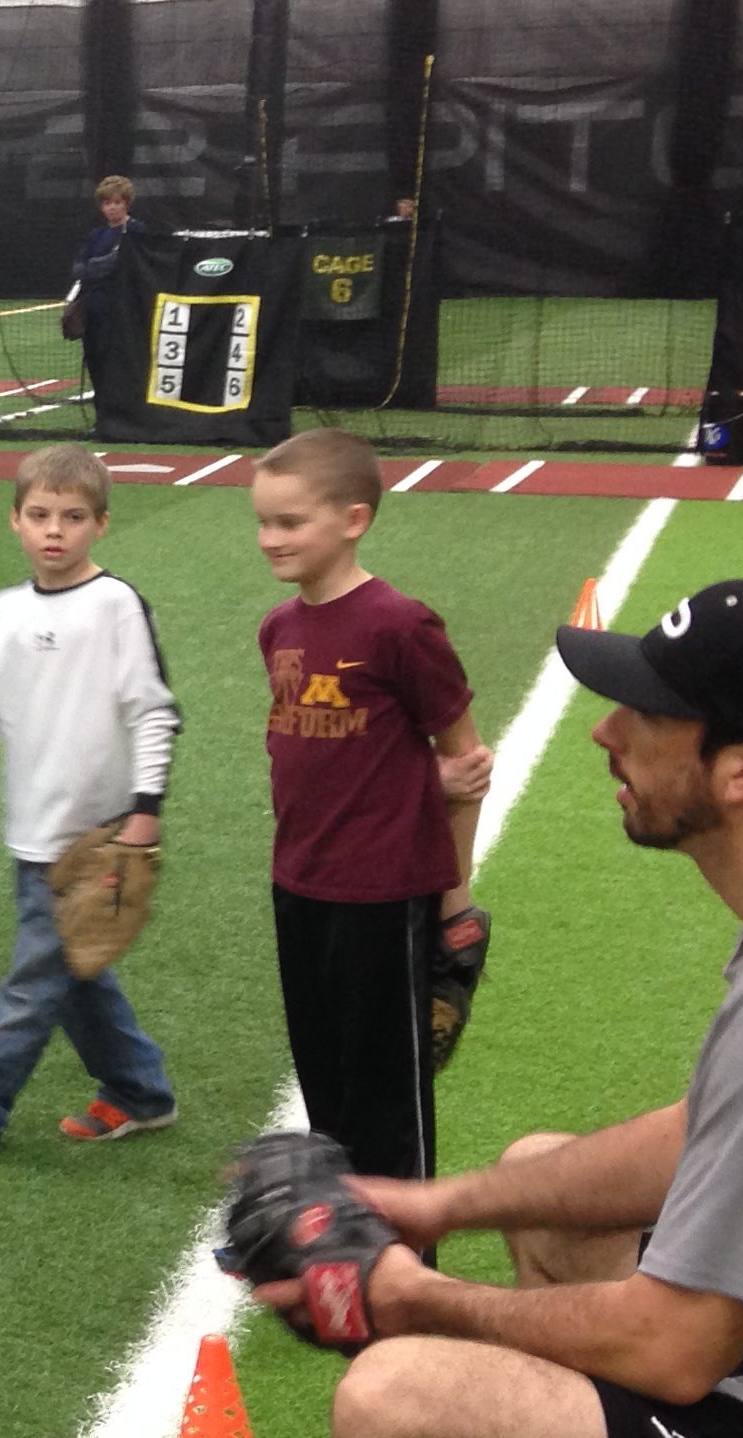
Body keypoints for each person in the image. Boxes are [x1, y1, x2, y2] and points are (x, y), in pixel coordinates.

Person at [260, 580, 743, 1438]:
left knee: (396, 1396)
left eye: (649, 715)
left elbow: (675, 1349)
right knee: (539, 1181)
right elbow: (706, 1133)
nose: (606, 732)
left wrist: (411, 1296)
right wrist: (435, 1205)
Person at [0, 444, 179, 1165]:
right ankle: (141, 1093)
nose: (56, 530)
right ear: (14, 521)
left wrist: (145, 812)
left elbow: (153, 712)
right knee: (76, 973)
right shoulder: (7, 610)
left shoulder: (115, 604)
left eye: (74, 517)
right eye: (41, 515)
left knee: (32, 985)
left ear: (101, 525)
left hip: (98, 840)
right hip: (32, 836)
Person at [252, 428, 491, 1181]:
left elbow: (468, 764)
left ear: (353, 520)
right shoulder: (280, 628)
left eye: (291, 523)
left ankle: (404, 1261)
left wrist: (456, 907)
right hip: (298, 881)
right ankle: (338, 1231)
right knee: (324, 1078)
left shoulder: (399, 625)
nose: (270, 539)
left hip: (384, 896)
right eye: (263, 521)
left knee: (388, 1097)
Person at [69, 177, 144, 398]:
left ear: (126, 203)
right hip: (93, 308)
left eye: (116, 202)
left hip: (123, 308)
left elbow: (119, 263)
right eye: (107, 203)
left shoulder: (137, 230)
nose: (111, 208)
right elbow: (78, 268)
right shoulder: (96, 235)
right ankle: (102, 410)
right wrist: (96, 267)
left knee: (120, 361)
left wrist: (94, 266)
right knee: (94, 357)